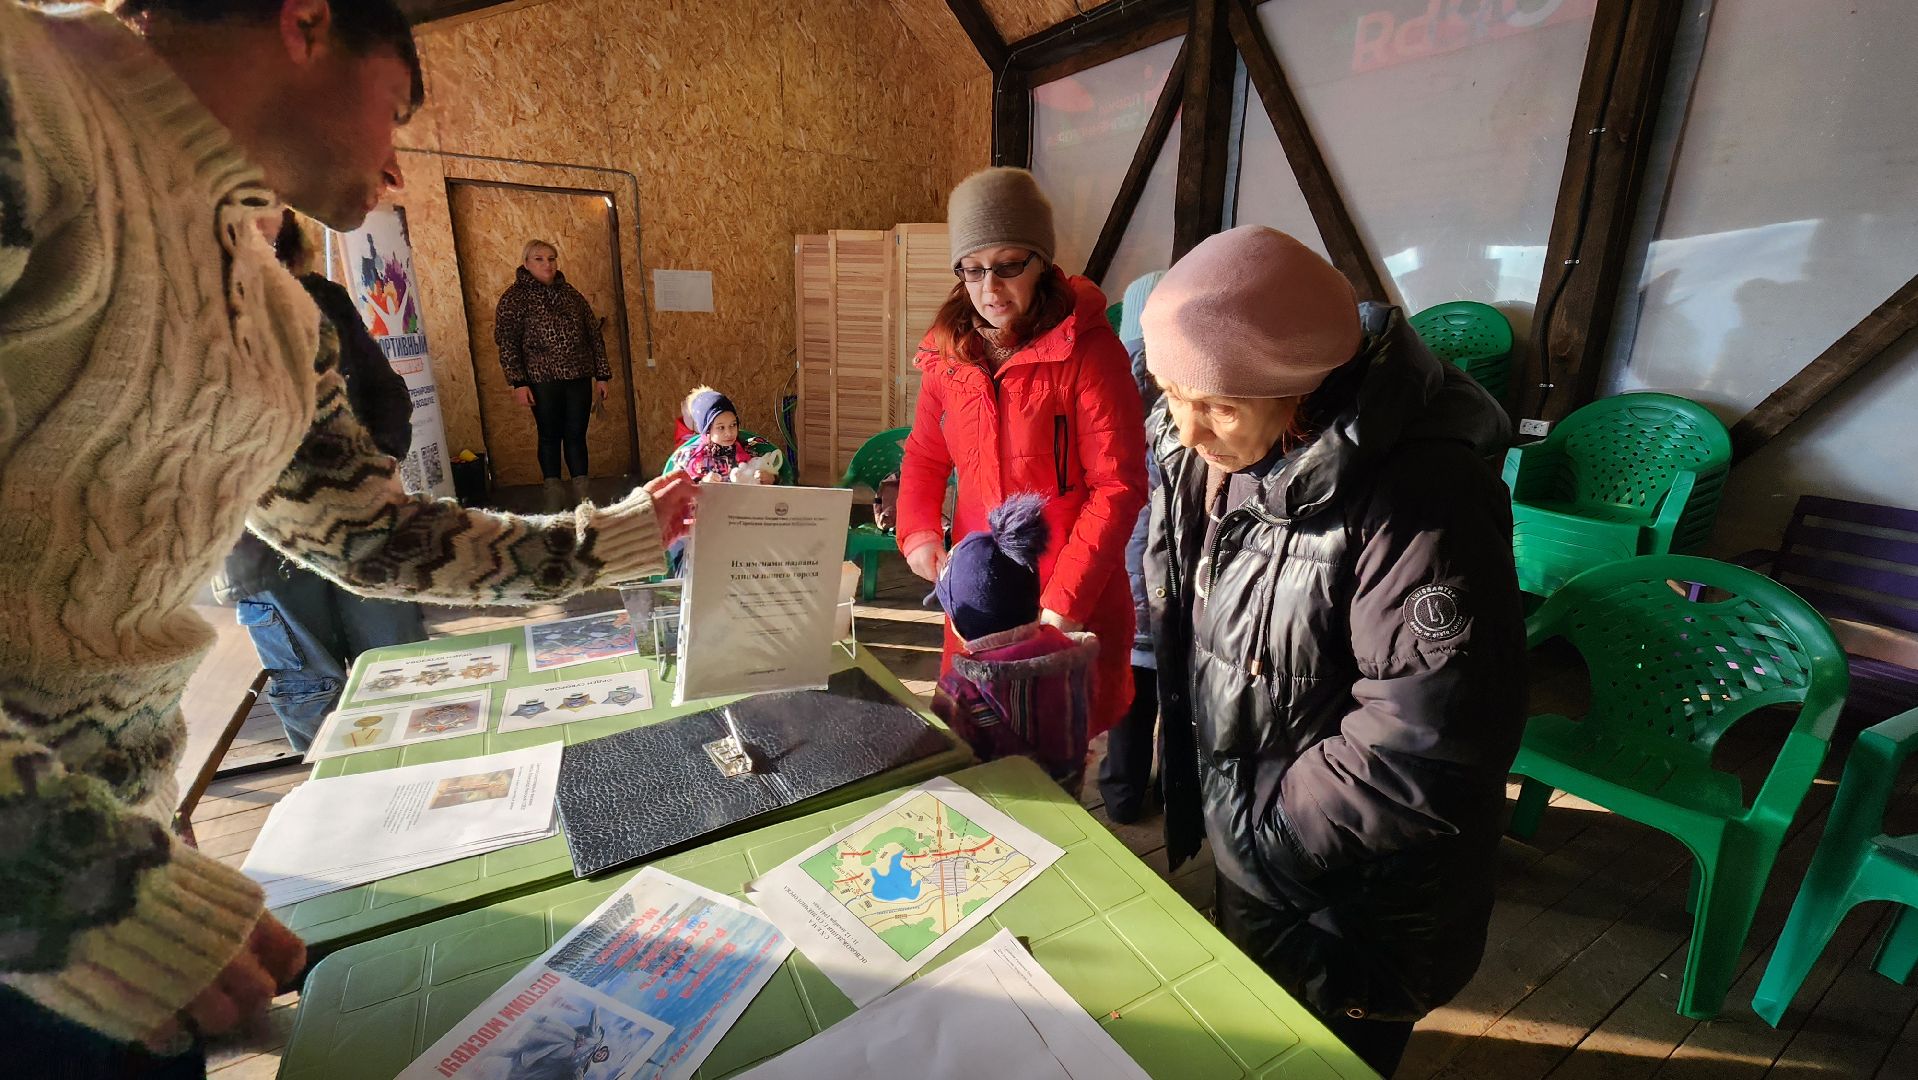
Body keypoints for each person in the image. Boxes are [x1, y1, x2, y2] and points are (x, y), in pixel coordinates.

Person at [0, 1, 695, 1072]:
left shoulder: (276, 312)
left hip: (130, 876)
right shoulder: (26, 102)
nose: (400, 169)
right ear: (306, 21)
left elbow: (376, 540)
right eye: (399, 108)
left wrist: (615, 538)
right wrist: (70, 882)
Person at [1142, 225, 1525, 1076]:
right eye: (1170, 392)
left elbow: (1429, 738)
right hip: (1258, 833)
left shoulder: (1422, 498)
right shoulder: (1204, 440)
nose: (1189, 428)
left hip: (1352, 884)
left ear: (1303, 386)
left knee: (1327, 1058)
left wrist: (1265, 834)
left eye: (1219, 404)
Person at [896, 168, 1147, 782]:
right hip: (981, 593)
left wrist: (1064, 604)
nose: (990, 289)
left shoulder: (1086, 348)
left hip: (1070, 587)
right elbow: (926, 455)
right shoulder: (949, 355)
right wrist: (920, 531)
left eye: (1008, 266)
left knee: (1059, 756)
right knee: (981, 743)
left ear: (1042, 261)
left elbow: (1119, 485)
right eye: (972, 269)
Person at [217, 210, 429, 753]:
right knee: (315, 694)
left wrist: (373, 470)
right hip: (263, 550)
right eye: (242, 196)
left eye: (270, 200)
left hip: (366, 528)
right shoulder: (179, 311)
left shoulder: (324, 298)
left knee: (402, 670)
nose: (258, 215)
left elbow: (388, 394)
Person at [929, 493, 1100, 786]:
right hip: (1065, 801)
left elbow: (940, 761)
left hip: (996, 816)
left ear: (961, 624)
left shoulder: (961, 687)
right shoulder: (1073, 655)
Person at [1100, 269, 1167, 823]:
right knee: (1182, 702)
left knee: (1130, 698)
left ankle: (1122, 799)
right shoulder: (1188, 393)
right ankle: (1171, 794)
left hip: (1126, 579)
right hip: (1180, 585)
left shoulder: (1110, 387)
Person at [494, 238, 613, 503]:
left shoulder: (571, 295)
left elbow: (594, 336)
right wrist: (518, 382)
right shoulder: (515, 298)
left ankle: (583, 497)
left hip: (578, 377)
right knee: (549, 435)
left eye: (551, 258)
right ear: (526, 263)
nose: (547, 264)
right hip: (541, 380)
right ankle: (553, 496)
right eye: (539, 259)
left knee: (576, 435)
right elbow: (508, 342)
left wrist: (602, 375)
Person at [663, 387, 782, 484]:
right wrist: (701, 483)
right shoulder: (689, 457)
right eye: (721, 427)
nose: (729, 433)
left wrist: (771, 479)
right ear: (707, 429)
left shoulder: (749, 450)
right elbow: (675, 490)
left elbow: (779, 483)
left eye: (733, 425)